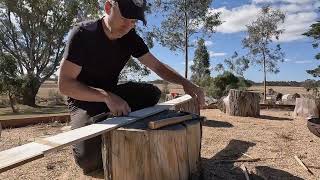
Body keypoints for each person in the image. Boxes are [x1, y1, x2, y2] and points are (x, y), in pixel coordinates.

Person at [58, 0, 205, 175]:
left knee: (152, 93)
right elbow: (65, 84)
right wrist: (106, 96)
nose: (129, 25)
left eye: (134, 21)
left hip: (113, 94)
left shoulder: (130, 37)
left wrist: (186, 83)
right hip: (83, 99)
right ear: (108, 8)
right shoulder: (83, 34)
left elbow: (157, 67)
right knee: (88, 161)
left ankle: (110, 117)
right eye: (126, 17)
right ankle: (96, 120)